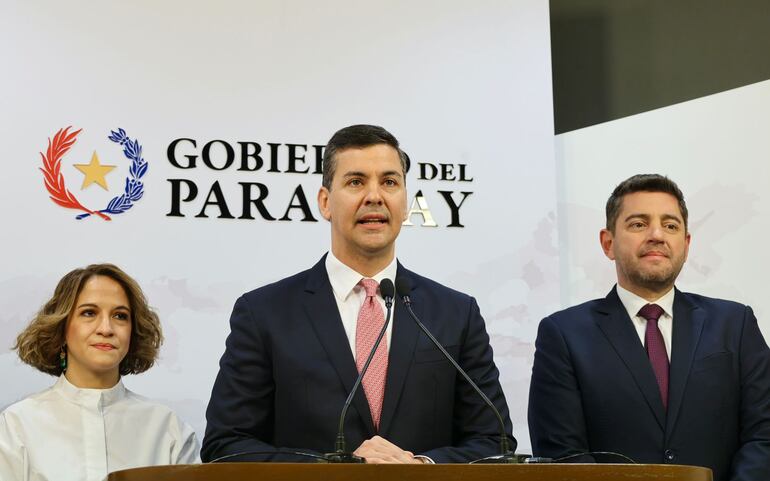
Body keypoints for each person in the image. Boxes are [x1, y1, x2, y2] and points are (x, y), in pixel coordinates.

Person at [202, 124, 514, 464]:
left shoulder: (455, 313)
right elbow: (227, 445)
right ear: (325, 202)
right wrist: (337, 468)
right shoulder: (265, 313)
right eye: (356, 182)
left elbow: (494, 441)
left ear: (406, 201)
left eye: (390, 182)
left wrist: (421, 468)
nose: (375, 196)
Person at [528, 174, 770, 481]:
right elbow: (563, 454)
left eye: (670, 225)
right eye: (638, 224)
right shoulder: (563, 335)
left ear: (686, 243)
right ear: (608, 242)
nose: (657, 234)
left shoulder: (735, 324)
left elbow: (763, 435)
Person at [0, 264, 200, 481]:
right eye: (89, 313)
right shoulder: (16, 427)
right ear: (61, 327)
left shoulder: (168, 429)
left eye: (120, 316)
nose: (106, 328)